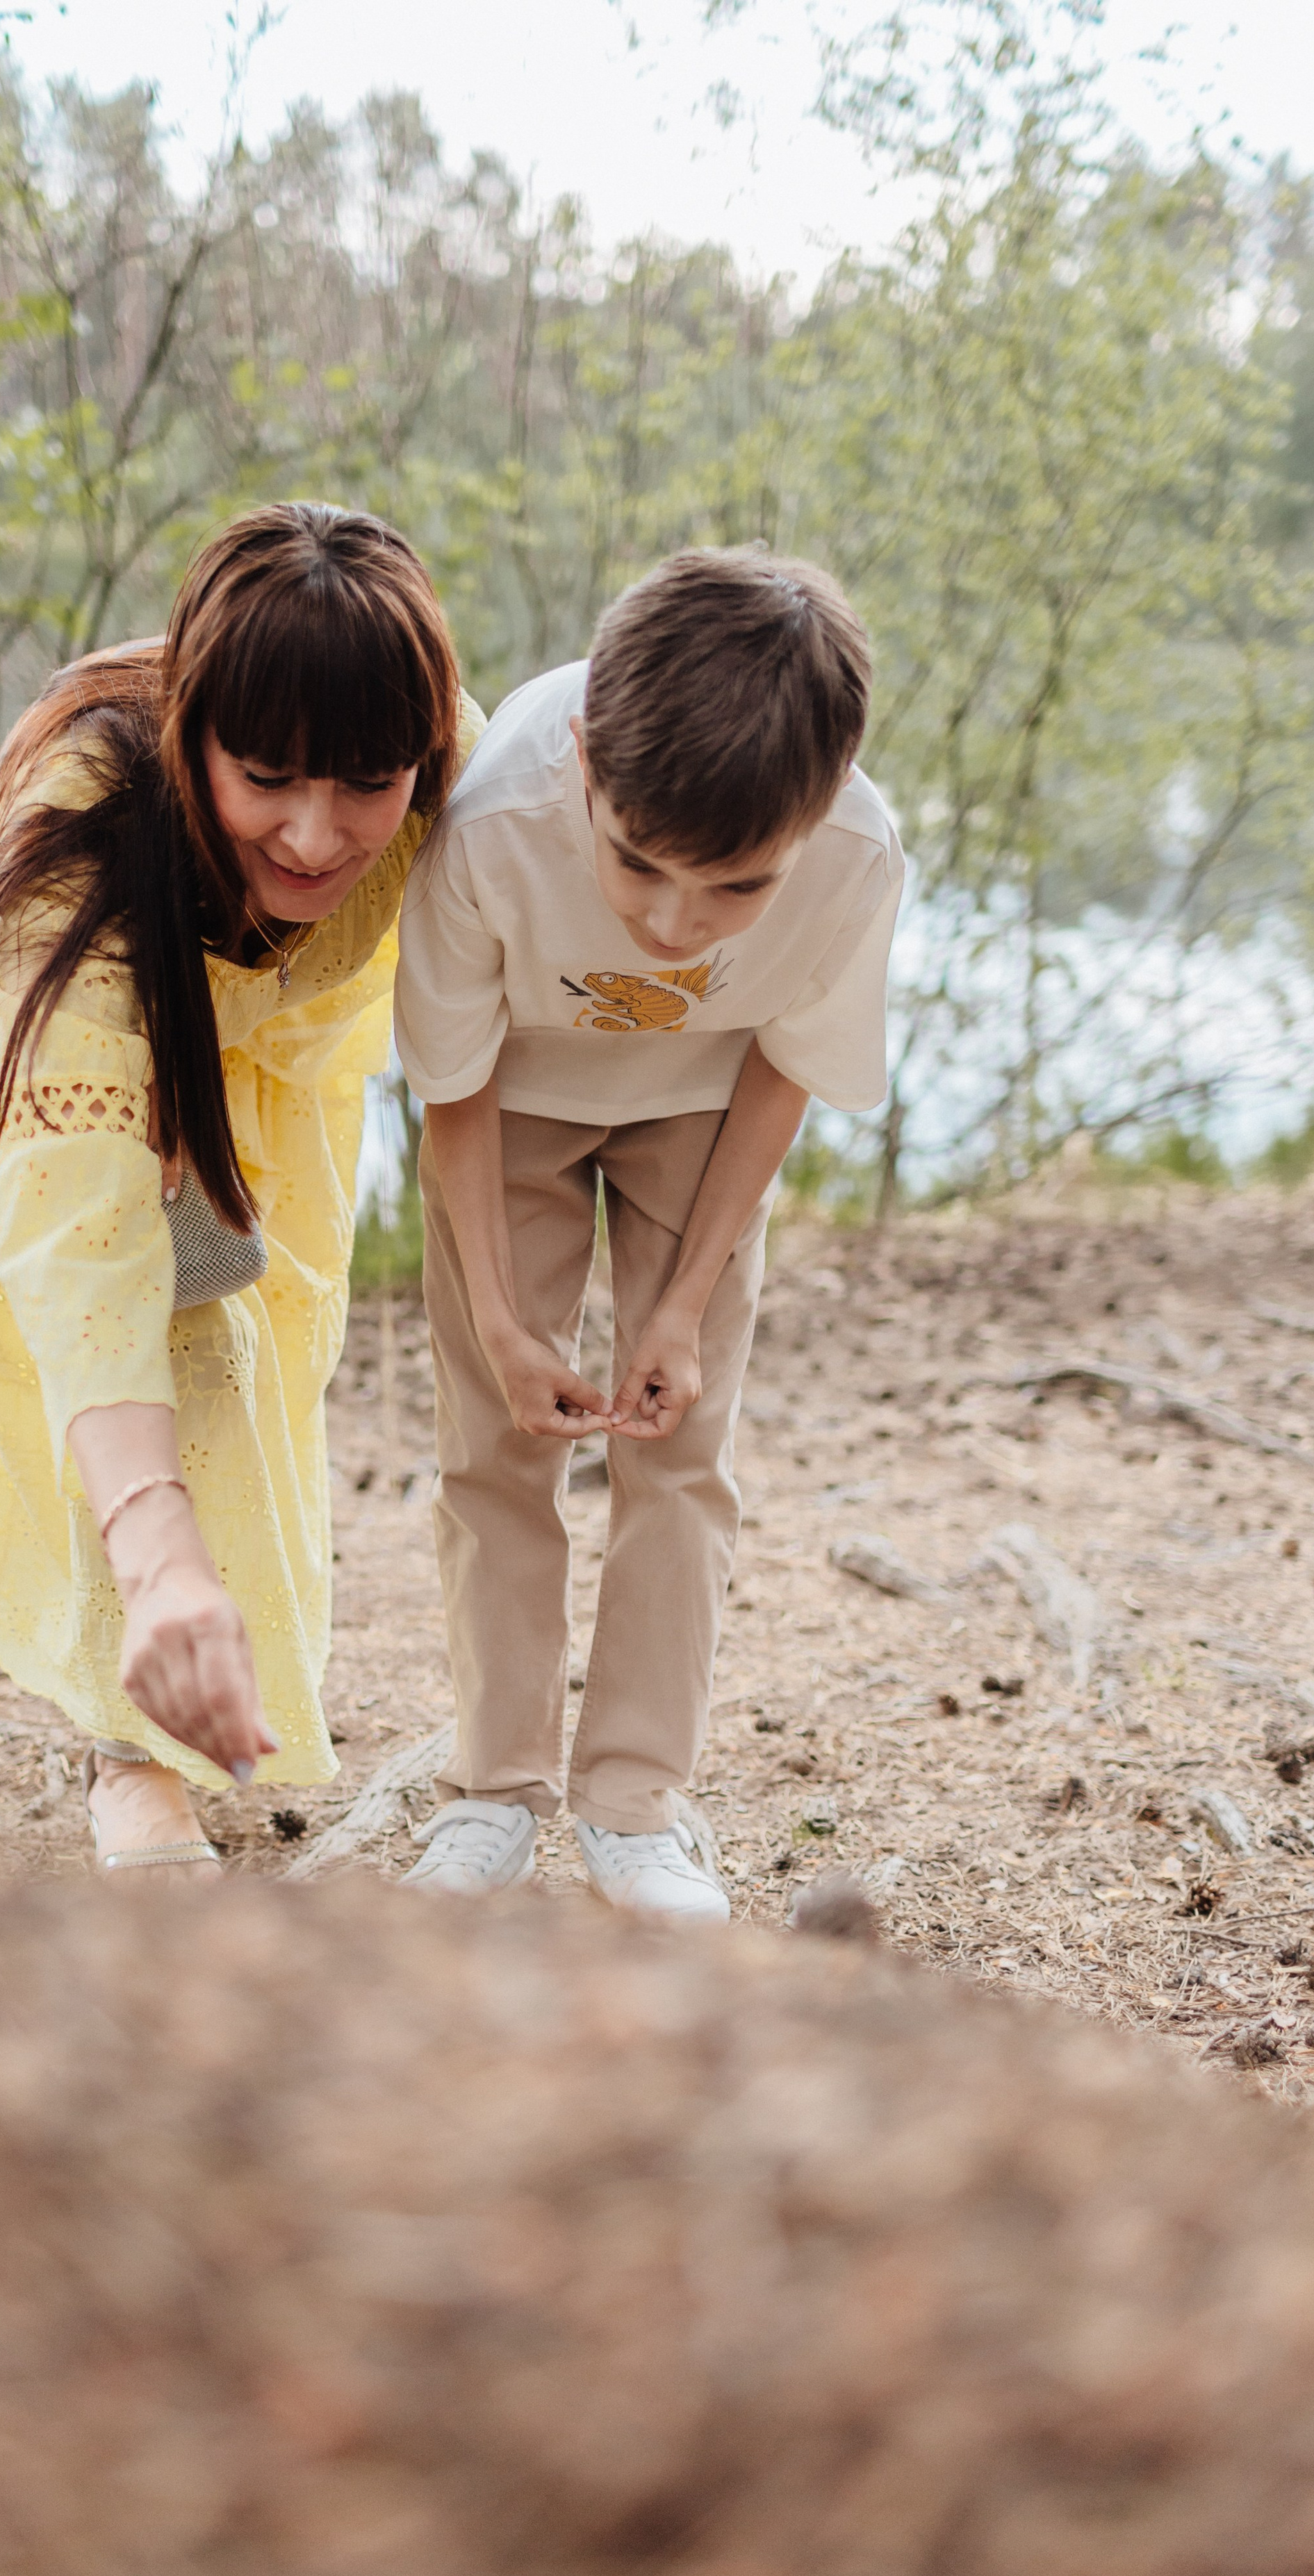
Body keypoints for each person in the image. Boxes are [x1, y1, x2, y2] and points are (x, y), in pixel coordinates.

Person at [0, 504, 476, 1873]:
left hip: (272, 1038)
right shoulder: (74, 843)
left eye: (365, 784)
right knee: (158, 1326)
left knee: (270, 1322)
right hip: (79, 1002)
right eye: (265, 776)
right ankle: (131, 1751)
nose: (319, 837)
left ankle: (206, 1649)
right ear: (193, 735)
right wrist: (161, 1560)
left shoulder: (465, 768)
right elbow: (79, 1227)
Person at [393, 546, 902, 1917]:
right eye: (633, 865)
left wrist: (677, 1306)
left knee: (677, 1446)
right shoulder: (493, 813)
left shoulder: (854, 852)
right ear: (578, 758)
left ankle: (631, 1802)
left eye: (734, 889)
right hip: (508, 1102)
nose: (672, 924)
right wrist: (502, 1322)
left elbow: (787, 1066)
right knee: (494, 1443)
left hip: (706, 1102)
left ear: (821, 808)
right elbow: (449, 1081)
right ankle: (495, 1789)